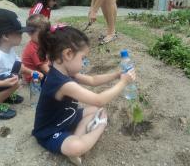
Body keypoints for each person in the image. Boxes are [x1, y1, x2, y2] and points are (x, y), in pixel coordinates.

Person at [32, 25, 136, 165]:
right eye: (83, 58)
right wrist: (123, 83)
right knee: (76, 147)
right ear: (68, 54)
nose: (84, 63)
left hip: (67, 118)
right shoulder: (62, 83)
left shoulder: (66, 72)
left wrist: (117, 74)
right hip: (50, 131)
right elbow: (99, 100)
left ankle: (76, 136)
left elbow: (93, 80)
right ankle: (97, 129)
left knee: (96, 110)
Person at [0, 8, 42, 120]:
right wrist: (2, 84)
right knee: (15, 81)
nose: (22, 35)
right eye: (19, 33)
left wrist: (32, 71)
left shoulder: (8, 49)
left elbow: (19, 66)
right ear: (5, 36)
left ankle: (3, 96)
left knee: (16, 70)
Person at [22, 14, 51, 83]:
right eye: (42, 35)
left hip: (43, 70)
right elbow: (45, 69)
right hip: (34, 78)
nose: (45, 37)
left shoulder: (40, 42)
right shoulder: (33, 49)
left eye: (46, 33)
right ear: (29, 33)